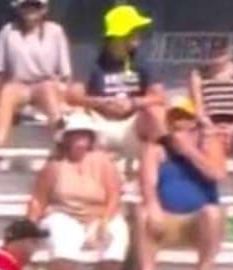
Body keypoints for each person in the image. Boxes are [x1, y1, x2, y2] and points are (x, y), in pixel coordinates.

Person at [26, 113, 129, 270]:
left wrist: (105, 220)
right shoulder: (53, 167)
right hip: (64, 214)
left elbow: (114, 195)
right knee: (65, 235)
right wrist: (27, 230)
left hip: (99, 216)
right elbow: (38, 200)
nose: (80, 140)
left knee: (117, 232)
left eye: (84, 135)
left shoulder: (103, 162)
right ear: (66, 139)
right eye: (75, 135)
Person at [134, 99, 227, 270]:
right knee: (143, 213)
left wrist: (189, 151)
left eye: (185, 119)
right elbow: (147, 183)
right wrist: (153, 205)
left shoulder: (208, 145)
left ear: (194, 123)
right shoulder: (157, 149)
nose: (180, 124)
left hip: (196, 221)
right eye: (175, 119)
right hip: (166, 217)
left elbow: (217, 174)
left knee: (212, 213)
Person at [66, 4, 162, 161]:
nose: (138, 36)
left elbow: (159, 96)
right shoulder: (92, 58)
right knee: (76, 114)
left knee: (157, 112)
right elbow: (72, 95)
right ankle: (79, 169)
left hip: (131, 125)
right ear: (119, 36)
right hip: (99, 124)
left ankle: (157, 169)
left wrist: (133, 103)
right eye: (133, 32)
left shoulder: (142, 58)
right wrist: (100, 102)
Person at [0, 0, 70, 157]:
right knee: (8, 91)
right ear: (19, 8)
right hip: (18, 85)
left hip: (45, 84)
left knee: (47, 89)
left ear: (44, 9)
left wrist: (63, 94)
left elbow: (64, 73)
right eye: (26, 5)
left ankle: (60, 138)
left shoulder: (56, 31)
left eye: (35, 5)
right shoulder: (7, 32)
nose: (31, 10)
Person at [190, 36, 233, 197]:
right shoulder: (198, 75)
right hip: (209, 123)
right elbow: (198, 108)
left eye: (220, 53)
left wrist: (232, 129)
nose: (217, 58)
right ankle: (205, 186)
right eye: (213, 53)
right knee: (204, 139)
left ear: (228, 54)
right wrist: (211, 127)